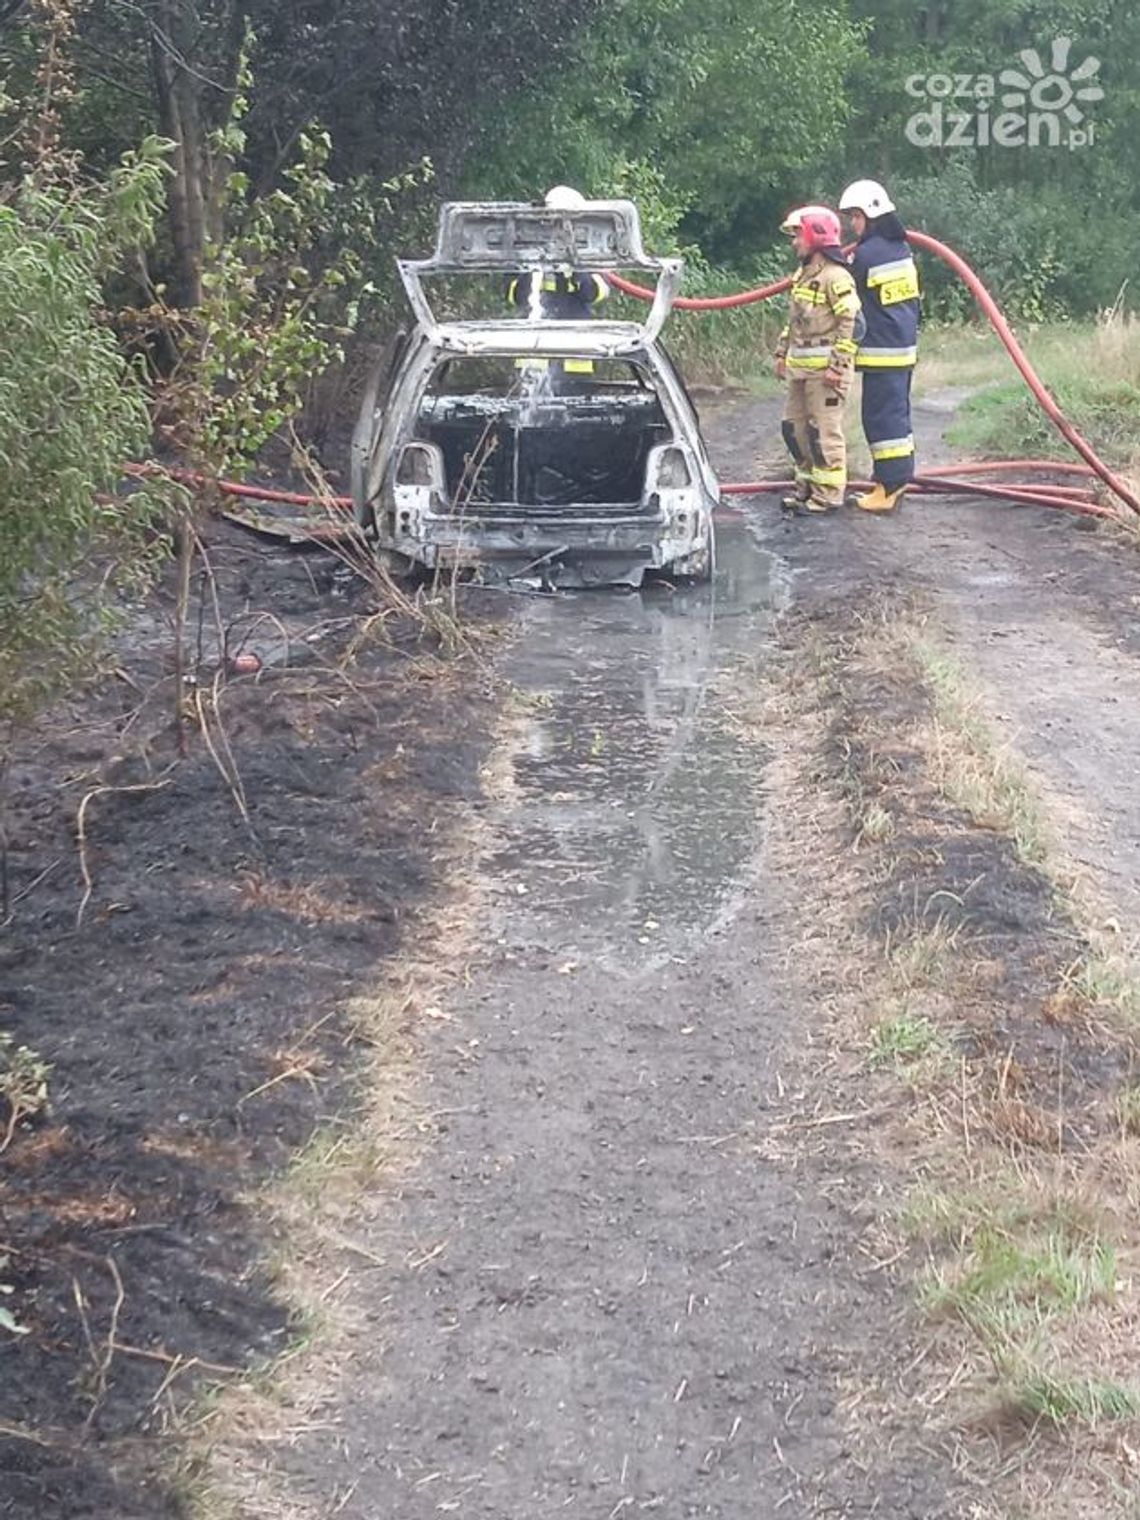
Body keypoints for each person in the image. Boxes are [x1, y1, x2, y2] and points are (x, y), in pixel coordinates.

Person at [838, 178, 921, 513]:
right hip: (902, 349)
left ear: (871, 216)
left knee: (881, 421)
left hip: (882, 352)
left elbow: (851, 298)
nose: (853, 225)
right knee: (896, 418)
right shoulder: (900, 249)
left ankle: (888, 489)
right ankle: (895, 481)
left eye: (856, 218)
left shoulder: (867, 254)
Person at [774, 205, 861, 513]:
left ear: (816, 234)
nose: (794, 242)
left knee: (823, 434)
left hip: (826, 373)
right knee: (794, 430)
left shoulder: (836, 277)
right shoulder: (802, 277)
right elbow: (795, 321)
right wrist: (782, 353)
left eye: (798, 234)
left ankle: (828, 495)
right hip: (800, 370)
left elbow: (851, 323)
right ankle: (806, 488)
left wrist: (838, 366)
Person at [506, 186, 609, 377]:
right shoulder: (527, 251)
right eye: (553, 221)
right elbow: (515, 296)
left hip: (576, 364)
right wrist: (534, 265)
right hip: (534, 361)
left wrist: (573, 267)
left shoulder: (591, 252)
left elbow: (593, 293)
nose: (558, 228)